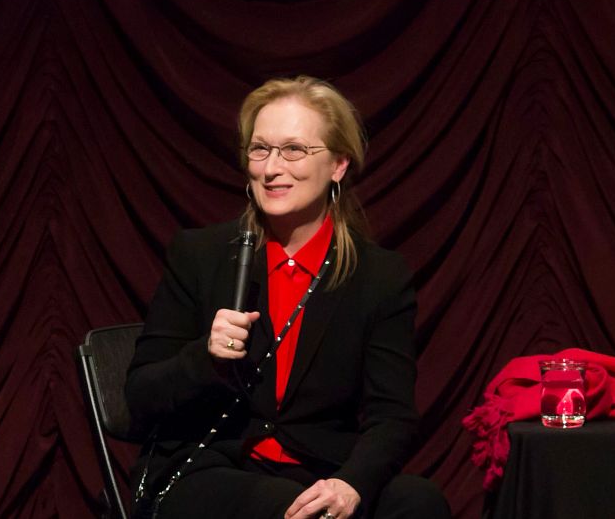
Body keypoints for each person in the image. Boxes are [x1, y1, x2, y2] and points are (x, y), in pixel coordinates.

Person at [125, 76, 451, 519]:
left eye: (294, 150)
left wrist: (351, 483)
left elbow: (392, 417)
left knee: (418, 501)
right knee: (292, 512)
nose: (271, 168)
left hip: (319, 467)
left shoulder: (379, 277)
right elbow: (140, 397)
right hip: (209, 467)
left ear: (338, 163)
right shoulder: (200, 255)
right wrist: (204, 356)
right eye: (260, 150)